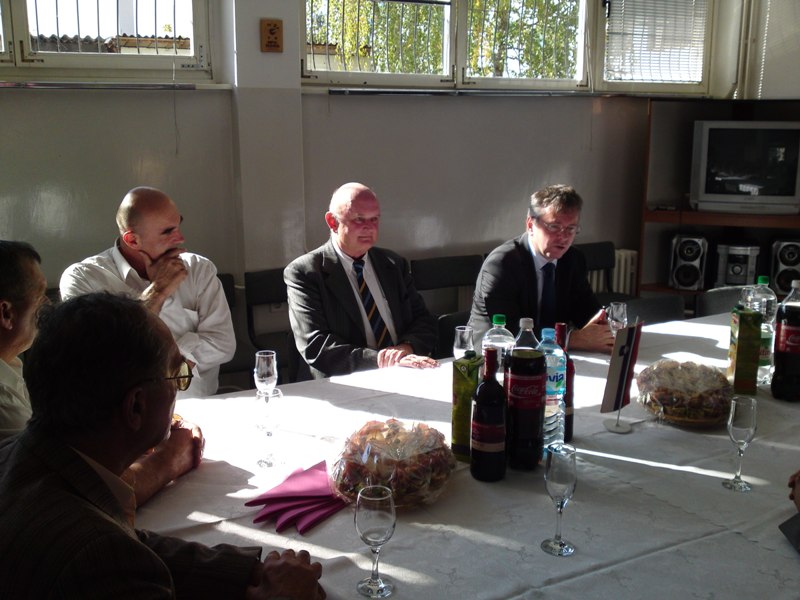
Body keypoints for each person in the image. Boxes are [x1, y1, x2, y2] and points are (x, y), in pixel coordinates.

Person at [0, 293, 325, 599]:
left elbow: (134, 543)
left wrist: (250, 571)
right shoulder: (95, 555)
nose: (180, 388)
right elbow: (116, 553)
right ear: (136, 406)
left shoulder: (22, 456)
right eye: (178, 374)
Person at [0, 240, 203, 506]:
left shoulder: (9, 362)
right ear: (6, 313)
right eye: (39, 295)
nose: (47, 305)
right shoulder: (3, 403)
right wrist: (173, 456)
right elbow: (77, 490)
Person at [60, 186, 235, 397]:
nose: (180, 238)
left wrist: (148, 364)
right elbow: (102, 360)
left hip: (199, 404)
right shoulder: (83, 279)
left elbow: (223, 344)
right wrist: (158, 291)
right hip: (121, 412)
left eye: (178, 225)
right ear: (132, 240)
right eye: (168, 231)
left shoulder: (198, 269)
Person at [285, 182, 438, 379]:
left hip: (403, 372)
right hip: (345, 380)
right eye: (358, 219)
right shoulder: (305, 272)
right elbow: (316, 346)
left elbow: (424, 321)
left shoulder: (393, 264)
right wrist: (383, 360)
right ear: (332, 222)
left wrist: (406, 348)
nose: (369, 227)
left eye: (374, 219)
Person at [469, 184, 614, 353]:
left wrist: (603, 327)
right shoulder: (501, 264)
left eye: (571, 229)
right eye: (554, 227)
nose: (563, 237)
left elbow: (587, 313)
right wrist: (571, 339)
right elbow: (508, 333)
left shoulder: (573, 260)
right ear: (530, 225)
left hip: (552, 357)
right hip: (494, 359)